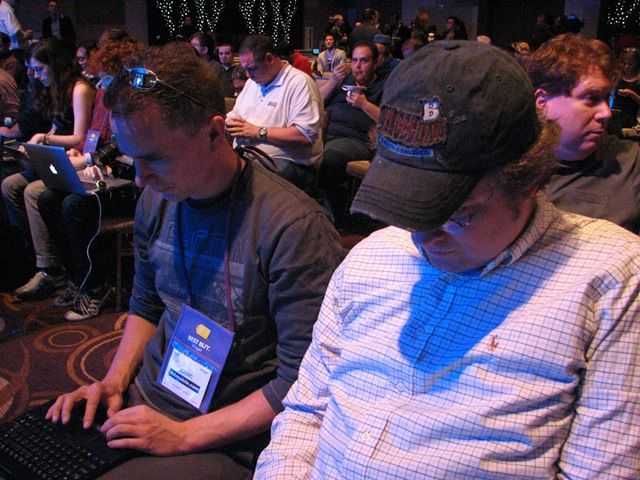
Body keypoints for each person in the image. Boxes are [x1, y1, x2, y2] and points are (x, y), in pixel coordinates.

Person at [255, 40, 640, 480]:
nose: (422, 237)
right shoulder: (371, 257)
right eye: (408, 210)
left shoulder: (609, 275)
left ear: (529, 180)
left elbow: (600, 471)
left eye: (457, 214)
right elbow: (305, 414)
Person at [45, 41, 344, 479]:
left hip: (228, 435)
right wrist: (112, 382)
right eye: (132, 160)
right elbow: (147, 305)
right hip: (148, 401)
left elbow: (302, 381)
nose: (140, 178)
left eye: (155, 159)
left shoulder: (294, 229)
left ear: (214, 133)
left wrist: (184, 436)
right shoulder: (157, 199)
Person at [35, 29, 142, 321]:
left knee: (75, 205)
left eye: (107, 76)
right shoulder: (110, 93)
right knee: (48, 198)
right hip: (112, 174)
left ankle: (96, 288)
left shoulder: (135, 98)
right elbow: (104, 141)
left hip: (135, 184)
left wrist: (95, 160)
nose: (101, 83)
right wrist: (91, 158)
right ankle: (78, 278)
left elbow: (127, 146)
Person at [1, 38, 95, 300]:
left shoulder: (79, 89)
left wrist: (45, 138)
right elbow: (56, 127)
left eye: (40, 68)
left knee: (32, 192)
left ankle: (50, 268)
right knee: (9, 185)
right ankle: (37, 254)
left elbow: (79, 137)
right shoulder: (53, 89)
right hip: (59, 156)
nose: (35, 75)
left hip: (76, 158)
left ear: (56, 65)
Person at [527, 34, 640, 233]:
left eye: (606, 98)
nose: (606, 113)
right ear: (542, 102)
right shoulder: (510, 166)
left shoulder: (631, 162)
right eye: (592, 98)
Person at [226, 35, 323, 194]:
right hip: (249, 155)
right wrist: (230, 124)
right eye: (246, 70)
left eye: (252, 68)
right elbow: (235, 115)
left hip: (292, 164)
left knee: (242, 179)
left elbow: (305, 136)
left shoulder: (299, 83)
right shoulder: (252, 83)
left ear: (270, 59)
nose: (248, 75)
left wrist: (258, 132)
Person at [318, 41, 385, 225]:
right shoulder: (343, 81)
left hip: (357, 140)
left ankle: (336, 218)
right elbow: (315, 101)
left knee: (329, 157)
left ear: (375, 63)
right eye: (354, 60)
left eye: (364, 61)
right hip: (326, 134)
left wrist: (364, 104)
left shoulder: (383, 86)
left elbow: (390, 120)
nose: (358, 66)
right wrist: (333, 80)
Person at [609, 47, 640, 136]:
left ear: (637, 63)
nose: (626, 66)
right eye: (623, 63)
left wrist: (632, 94)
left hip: (631, 118)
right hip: (614, 114)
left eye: (630, 64)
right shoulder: (617, 75)